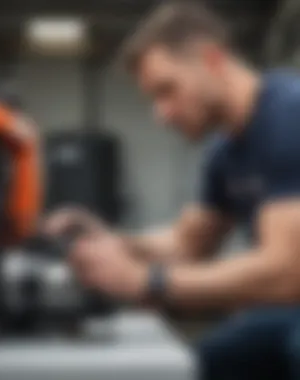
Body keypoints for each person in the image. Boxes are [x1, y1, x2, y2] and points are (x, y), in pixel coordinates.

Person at [45, 2, 300, 379]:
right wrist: (115, 243)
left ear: (212, 60)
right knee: (221, 354)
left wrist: (149, 281)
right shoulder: (225, 151)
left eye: (168, 90)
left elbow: (288, 272)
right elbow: (187, 244)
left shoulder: (287, 114)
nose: (161, 114)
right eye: (153, 98)